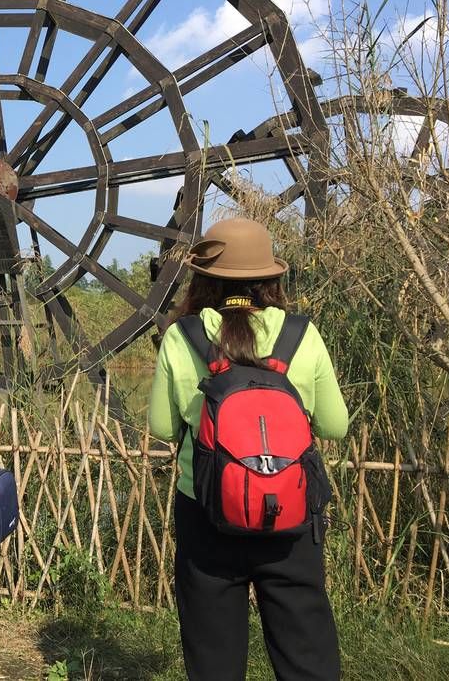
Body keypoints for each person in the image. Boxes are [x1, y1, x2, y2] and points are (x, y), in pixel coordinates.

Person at [148, 217, 349, 681]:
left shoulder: (182, 336)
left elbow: (161, 426)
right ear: (270, 278)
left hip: (206, 511)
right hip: (290, 513)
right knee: (307, 655)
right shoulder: (302, 334)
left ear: (204, 280)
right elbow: (335, 426)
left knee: (213, 658)